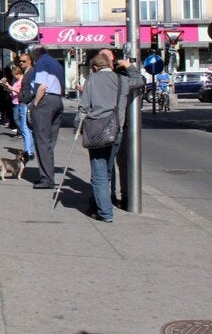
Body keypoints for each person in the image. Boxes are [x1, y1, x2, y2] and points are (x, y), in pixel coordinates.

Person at [77, 52, 129, 222]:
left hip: (97, 130)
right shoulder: (122, 80)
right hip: (116, 130)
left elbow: (84, 107)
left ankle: (105, 212)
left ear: (95, 67)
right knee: (106, 169)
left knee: (99, 172)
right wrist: (129, 66)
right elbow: (139, 81)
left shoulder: (92, 80)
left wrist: (78, 126)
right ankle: (97, 203)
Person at [99, 48, 145, 209]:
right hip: (112, 125)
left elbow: (140, 81)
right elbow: (139, 80)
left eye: (107, 56)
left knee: (122, 162)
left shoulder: (114, 76)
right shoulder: (116, 78)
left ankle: (123, 196)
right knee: (108, 164)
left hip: (120, 125)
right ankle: (109, 198)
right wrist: (129, 66)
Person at [28, 45, 65, 189]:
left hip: (45, 101)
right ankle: (48, 174)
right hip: (57, 100)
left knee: (42, 141)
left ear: (36, 54)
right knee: (50, 141)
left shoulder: (41, 63)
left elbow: (41, 86)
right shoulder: (56, 63)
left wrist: (35, 104)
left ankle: (46, 178)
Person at [16, 51, 36, 161]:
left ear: (30, 61)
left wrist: (24, 100)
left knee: (25, 128)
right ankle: (29, 150)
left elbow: (31, 90)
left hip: (26, 104)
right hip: (26, 103)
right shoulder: (27, 72)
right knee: (27, 128)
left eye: (24, 61)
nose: (21, 63)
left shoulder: (31, 72)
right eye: (20, 61)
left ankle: (28, 152)